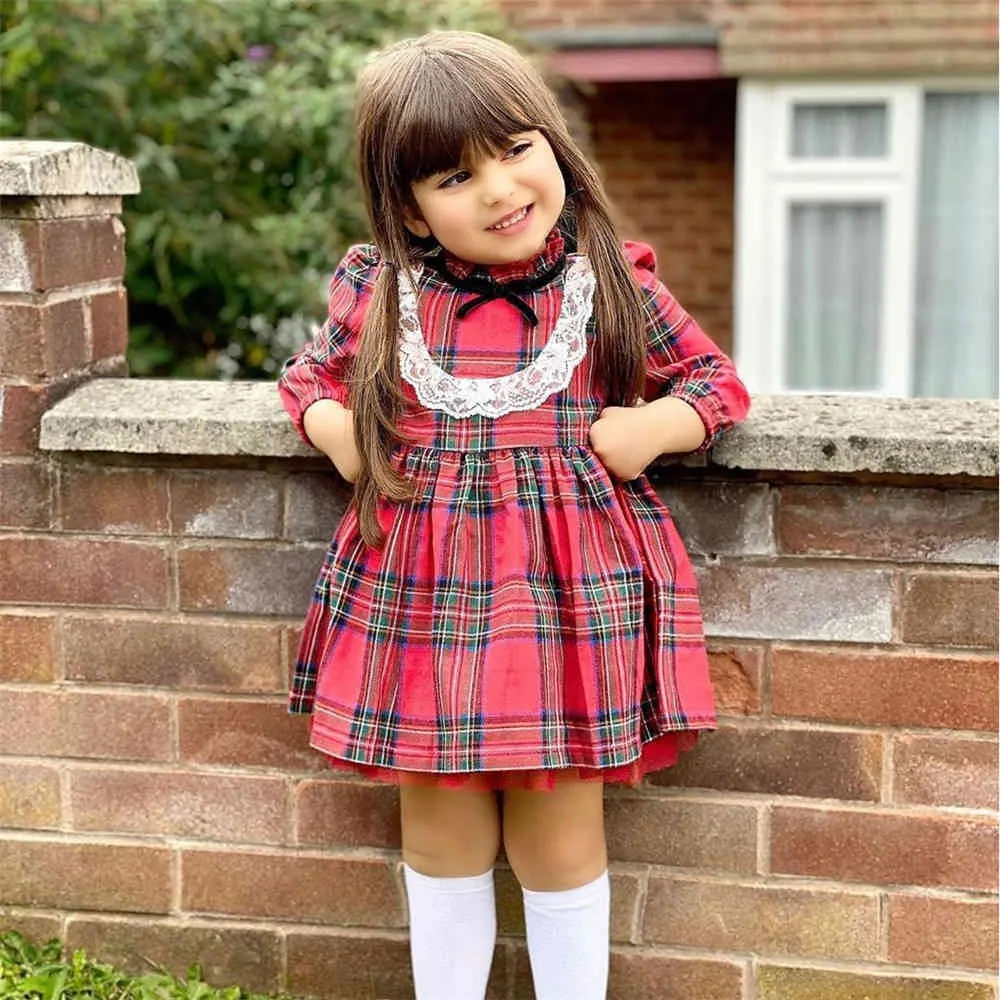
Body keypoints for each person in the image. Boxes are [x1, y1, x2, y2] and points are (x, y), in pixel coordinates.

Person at [278, 29, 750, 1000]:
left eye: (514, 150)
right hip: (420, 597)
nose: (498, 190)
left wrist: (653, 427)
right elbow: (308, 376)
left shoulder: (609, 284)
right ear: (407, 204)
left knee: (559, 833)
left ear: (554, 145)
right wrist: (338, 431)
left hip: (564, 604)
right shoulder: (384, 290)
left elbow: (715, 381)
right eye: (454, 176)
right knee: (439, 829)